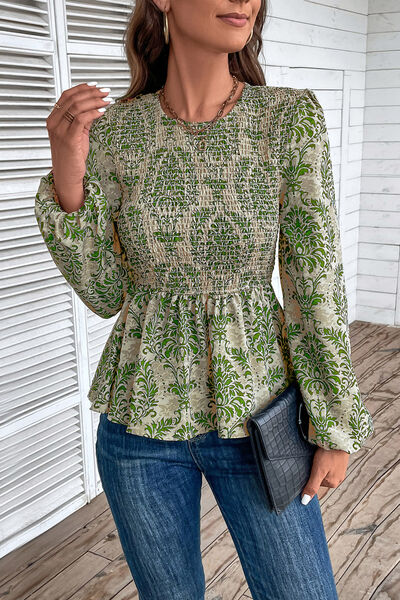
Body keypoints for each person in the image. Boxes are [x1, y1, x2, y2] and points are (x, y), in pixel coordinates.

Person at [34, 0, 374, 598]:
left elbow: (314, 278)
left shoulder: (287, 120)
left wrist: (332, 421)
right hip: (138, 425)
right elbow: (106, 293)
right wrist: (67, 172)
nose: (245, 1)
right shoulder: (116, 133)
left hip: (257, 416)